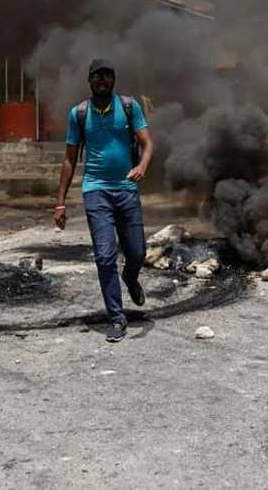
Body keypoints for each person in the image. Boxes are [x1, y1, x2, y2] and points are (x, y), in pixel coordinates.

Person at [54, 58, 154, 343]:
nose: (102, 80)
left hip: (126, 189)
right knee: (105, 255)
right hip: (96, 190)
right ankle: (117, 317)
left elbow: (147, 143)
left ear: (114, 80)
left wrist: (142, 167)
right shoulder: (79, 114)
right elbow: (69, 159)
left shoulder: (129, 107)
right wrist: (60, 202)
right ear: (89, 81)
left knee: (136, 252)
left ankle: (131, 277)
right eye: (97, 76)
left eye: (107, 75)